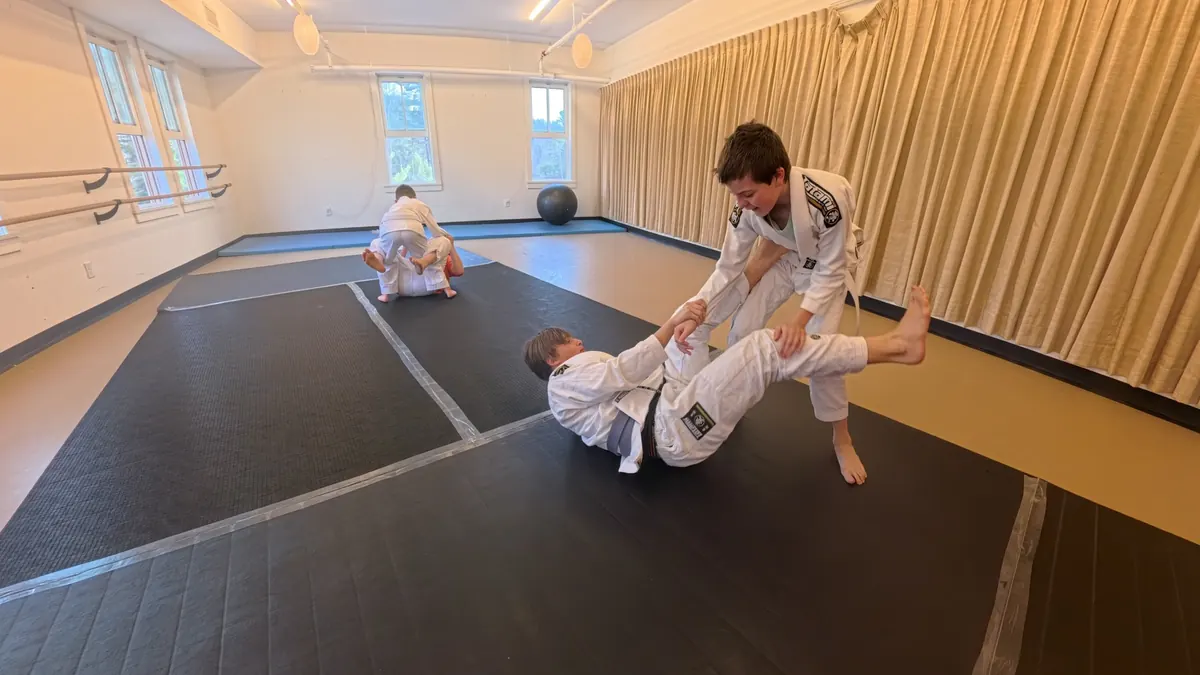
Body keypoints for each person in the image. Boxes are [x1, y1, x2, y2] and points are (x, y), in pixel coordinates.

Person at [523, 285, 930, 474]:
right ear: (552, 357)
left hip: (669, 403)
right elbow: (622, 372)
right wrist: (668, 327)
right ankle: (897, 347)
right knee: (763, 348)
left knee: (692, 322)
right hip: (673, 431)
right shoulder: (562, 381)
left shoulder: (575, 389)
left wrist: (677, 336)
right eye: (568, 342)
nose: (578, 341)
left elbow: (630, 382)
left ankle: (754, 272)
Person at [673, 122, 871, 485]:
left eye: (748, 194)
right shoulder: (744, 210)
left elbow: (831, 268)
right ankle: (730, 408)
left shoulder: (828, 196)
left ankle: (842, 439)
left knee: (821, 354)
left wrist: (800, 320)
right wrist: (697, 308)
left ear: (778, 176)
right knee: (743, 331)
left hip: (827, 268)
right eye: (736, 196)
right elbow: (728, 268)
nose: (741, 204)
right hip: (786, 260)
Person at [363, 184, 455, 302]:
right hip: (413, 229)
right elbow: (435, 230)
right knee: (441, 242)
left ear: (396, 201)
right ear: (415, 197)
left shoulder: (392, 208)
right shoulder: (419, 204)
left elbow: (383, 233)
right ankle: (440, 280)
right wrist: (445, 236)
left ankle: (382, 280)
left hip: (388, 228)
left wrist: (384, 251)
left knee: (378, 245)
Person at [362, 235, 459, 301]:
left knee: (442, 240)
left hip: (430, 284)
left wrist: (451, 246)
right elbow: (401, 260)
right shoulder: (419, 255)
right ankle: (378, 261)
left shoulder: (444, 257)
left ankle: (426, 261)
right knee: (379, 242)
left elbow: (458, 271)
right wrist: (407, 243)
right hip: (403, 283)